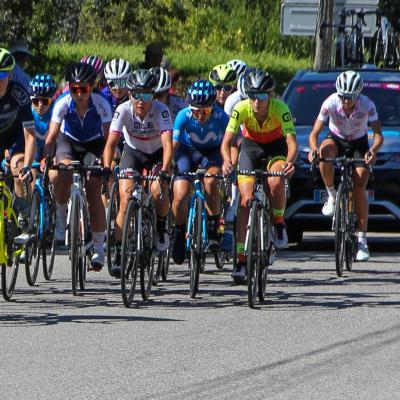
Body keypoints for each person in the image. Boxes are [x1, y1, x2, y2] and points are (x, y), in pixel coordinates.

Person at [221, 69, 297, 282]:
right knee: (245, 201)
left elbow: (291, 143)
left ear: (270, 95)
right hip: (250, 148)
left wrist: (289, 163)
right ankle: (241, 259)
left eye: (262, 96)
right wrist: (227, 160)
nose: (256, 101)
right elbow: (226, 142)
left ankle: (279, 222)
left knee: (275, 180)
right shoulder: (241, 108)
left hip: (276, 148)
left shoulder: (281, 109)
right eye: (252, 95)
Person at [103, 69, 173, 276]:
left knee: (157, 190)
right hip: (133, 153)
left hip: (157, 154)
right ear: (129, 94)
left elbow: (168, 145)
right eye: (136, 95)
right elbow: (110, 144)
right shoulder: (122, 110)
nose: (141, 101)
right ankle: (119, 251)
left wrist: (166, 171)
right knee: (124, 199)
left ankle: (160, 226)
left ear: (153, 95)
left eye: (147, 95)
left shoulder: (161, 111)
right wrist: (107, 168)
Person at [308, 70, 383, 261]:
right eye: (342, 96)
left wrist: (373, 151)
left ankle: (362, 239)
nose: (345, 101)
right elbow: (314, 133)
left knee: (359, 188)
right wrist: (314, 149)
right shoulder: (330, 102)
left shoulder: (368, 105)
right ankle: (332, 194)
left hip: (359, 142)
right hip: (336, 138)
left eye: (349, 97)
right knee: (326, 154)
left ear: (357, 95)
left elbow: (378, 136)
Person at [44, 62, 113, 270]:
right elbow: (52, 136)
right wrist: (48, 158)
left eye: (83, 88)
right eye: (74, 88)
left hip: (95, 143)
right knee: (61, 173)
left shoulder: (102, 104)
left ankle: (99, 248)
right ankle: (62, 213)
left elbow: (109, 138)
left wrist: (105, 161)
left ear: (91, 87)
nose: (79, 93)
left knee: (93, 188)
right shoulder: (62, 102)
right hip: (69, 141)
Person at [171, 79, 229, 265]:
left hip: (212, 153)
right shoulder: (183, 115)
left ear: (213, 107)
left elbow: (232, 144)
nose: (200, 115)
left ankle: (213, 229)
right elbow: (173, 146)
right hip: (187, 152)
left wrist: (229, 162)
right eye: (196, 111)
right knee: (180, 193)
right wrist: (169, 164)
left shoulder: (221, 117)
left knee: (211, 182)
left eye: (205, 111)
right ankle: (179, 234)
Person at [0, 48, 35, 223]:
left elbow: (29, 136)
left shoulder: (19, 94)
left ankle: (24, 214)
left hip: (15, 136)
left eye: (1, 76)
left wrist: (27, 166)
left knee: (18, 167)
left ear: (10, 76)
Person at [29, 73, 57, 163]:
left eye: (45, 101)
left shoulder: (56, 110)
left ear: (51, 100)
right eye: (36, 101)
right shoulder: (26, 110)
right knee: (32, 163)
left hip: (53, 146)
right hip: (34, 145)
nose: (40, 105)